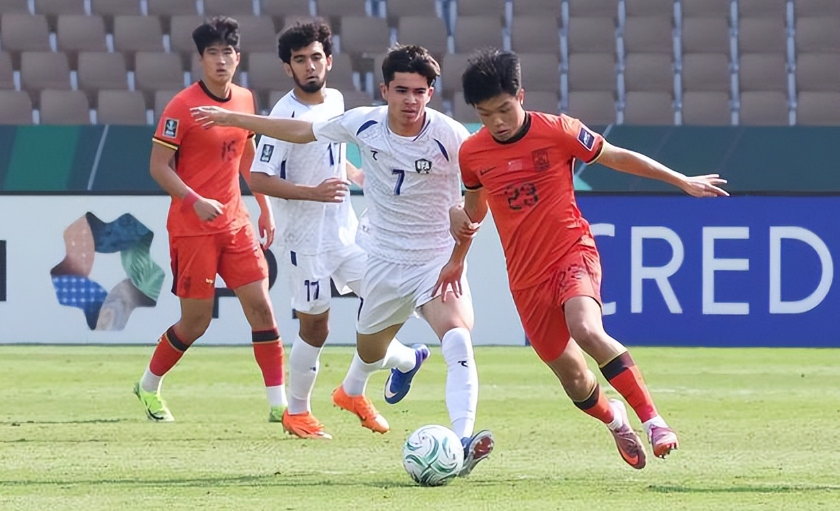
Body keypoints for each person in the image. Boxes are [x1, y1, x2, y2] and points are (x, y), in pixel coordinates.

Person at [192, 44, 493, 477]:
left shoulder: (451, 136)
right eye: (402, 90)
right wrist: (237, 119)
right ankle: (353, 388)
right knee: (370, 350)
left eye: (420, 91)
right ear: (385, 91)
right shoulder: (363, 123)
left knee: (458, 338)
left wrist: (460, 237)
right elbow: (301, 131)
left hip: (435, 261)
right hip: (383, 262)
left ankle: (462, 441)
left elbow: (478, 196)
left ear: (431, 93)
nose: (411, 100)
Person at [439, 49, 728, 469]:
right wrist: (456, 245)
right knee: (574, 379)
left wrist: (679, 179)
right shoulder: (472, 154)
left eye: (503, 109)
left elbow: (616, 156)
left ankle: (654, 422)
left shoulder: (559, 131)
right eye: (485, 115)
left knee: (587, 328)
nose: (497, 122)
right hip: (525, 277)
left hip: (571, 252)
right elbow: (474, 210)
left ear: (520, 96)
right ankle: (615, 421)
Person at [133, 16, 286, 424]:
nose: (221, 60)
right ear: (200, 59)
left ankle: (280, 405)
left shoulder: (245, 100)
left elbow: (247, 157)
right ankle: (148, 385)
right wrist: (194, 199)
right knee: (195, 322)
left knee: (262, 308)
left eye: (227, 52)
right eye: (213, 53)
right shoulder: (181, 107)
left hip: (235, 224)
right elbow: (158, 166)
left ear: (238, 57)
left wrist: (265, 207)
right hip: (192, 228)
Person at [249, 19, 383, 440]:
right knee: (316, 328)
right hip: (304, 241)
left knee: (385, 296)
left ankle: (354, 389)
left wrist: (356, 174)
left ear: (329, 60)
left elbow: (332, 153)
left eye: (316, 57)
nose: (310, 66)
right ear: (287, 67)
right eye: (300, 60)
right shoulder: (283, 115)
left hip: (344, 233)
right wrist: (313, 193)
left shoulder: (337, 99)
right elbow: (258, 177)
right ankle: (297, 412)